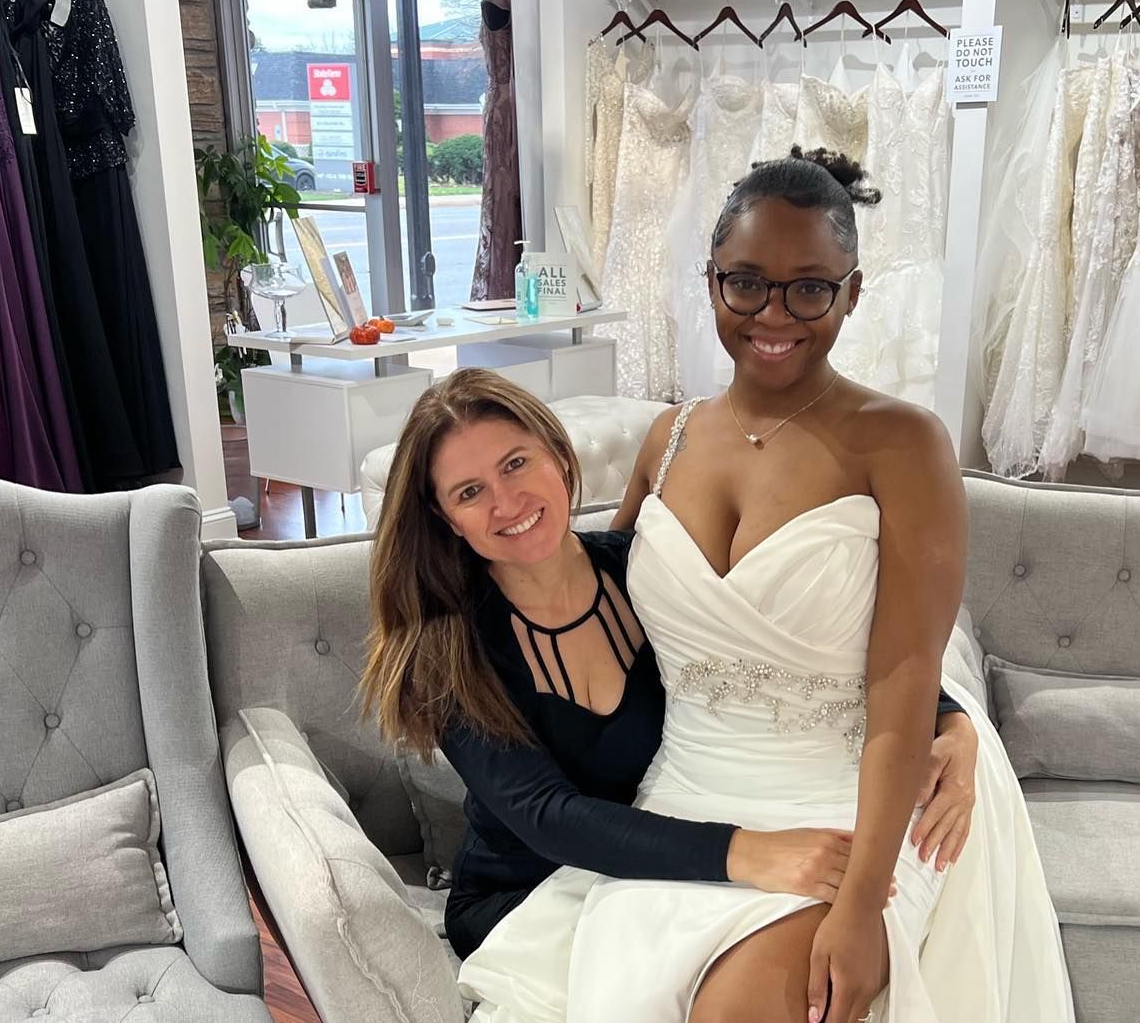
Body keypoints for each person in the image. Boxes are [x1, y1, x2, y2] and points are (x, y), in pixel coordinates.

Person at [377, 149, 1104, 1023]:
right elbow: (696, 632)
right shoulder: (666, 441)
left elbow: (883, 670)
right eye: (743, 284)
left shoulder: (903, 443)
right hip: (688, 802)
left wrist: (941, 747)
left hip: (843, 799)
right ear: (706, 281)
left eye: (807, 288)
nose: (772, 316)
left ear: (853, 291)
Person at [363, 372, 979, 963]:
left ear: (556, 453)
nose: (506, 502)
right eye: (469, 492)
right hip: (533, 894)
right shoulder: (442, 653)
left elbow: (796, 659)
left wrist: (951, 722)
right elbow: (548, 816)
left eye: (515, 463)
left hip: (672, 862)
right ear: (446, 518)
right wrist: (746, 852)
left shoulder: (648, 574)